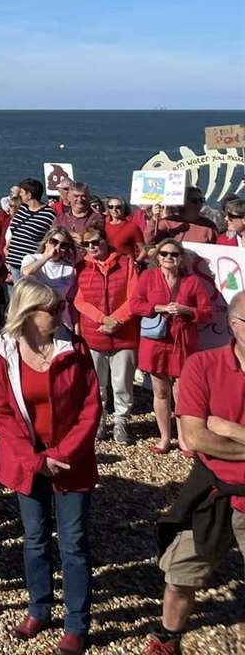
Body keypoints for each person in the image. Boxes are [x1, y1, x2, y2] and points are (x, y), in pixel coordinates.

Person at [0, 279, 101, 655]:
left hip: (72, 462)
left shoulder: (75, 347)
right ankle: (40, 607)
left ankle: (76, 623)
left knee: (74, 543)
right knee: (34, 539)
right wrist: (35, 459)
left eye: (60, 307)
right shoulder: (3, 352)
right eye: (51, 309)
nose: (60, 314)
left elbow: (90, 406)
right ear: (27, 313)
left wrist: (63, 454)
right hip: (26, 463)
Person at [143, 288, 245, 655]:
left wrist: (231, 430)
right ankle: (169, 636)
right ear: (234, 325)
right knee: (179, 574)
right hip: (211, 490)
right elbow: (195, 437)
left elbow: (209, 432)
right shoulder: (203, 365)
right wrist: (212, 432)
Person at [130, 239, 216, 455]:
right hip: (156, 343)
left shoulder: (192, 282)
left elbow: (207, 313)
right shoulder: (148, 277)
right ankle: (165, 438)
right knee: (160, 392)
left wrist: (187, 310)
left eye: (174, 254)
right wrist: (158, 307)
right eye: (165, 253)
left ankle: (185, 439)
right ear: (157, 257)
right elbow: (135, 304)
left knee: (181, 393)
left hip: (183, 343)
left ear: (181, 258)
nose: (169, 257)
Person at [74, 225, 139, 445]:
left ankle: (121, 420)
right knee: (97, 383)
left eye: (95, 242)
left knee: (122, 383)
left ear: (105, 241)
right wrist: (104, 319)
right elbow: (79, 300)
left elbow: (134, 296)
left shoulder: (126, 263)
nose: (91, 247)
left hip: (124, 334)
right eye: (86, 244)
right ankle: (99, 420)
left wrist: (118, 320)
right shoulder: (81, 267)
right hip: (95, 333)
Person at [6, 179, 57, 281]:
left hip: (30, 264)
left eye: (22, 192)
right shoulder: (22, 209)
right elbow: (15, 229)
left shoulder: (49, 214)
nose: (19, 195)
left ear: (29, 195)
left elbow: (50, 236)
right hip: (13, 263)